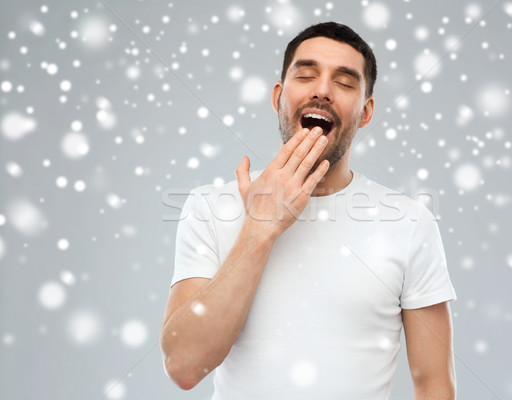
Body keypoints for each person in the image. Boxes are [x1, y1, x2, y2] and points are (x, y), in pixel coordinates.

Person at [160, 22, 457, 399]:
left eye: (345, 82)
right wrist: (259, 227)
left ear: (365, 113)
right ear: (278, 97)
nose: (322, 90)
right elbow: (184, 366)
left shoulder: (410, 223)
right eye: (306, 75)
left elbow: (434, 385)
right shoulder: (208, 209)